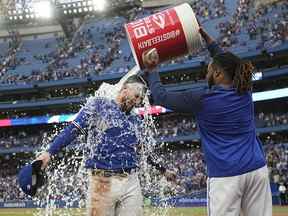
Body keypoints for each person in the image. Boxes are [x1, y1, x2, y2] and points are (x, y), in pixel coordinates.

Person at [143, 27, 272, 216]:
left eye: (210, 68)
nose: (207, 71)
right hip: (257, 169)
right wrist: (210, 43)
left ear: (219, 74)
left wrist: (152, 70)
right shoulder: (245, 90)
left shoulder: (202, 99)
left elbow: (161, 97)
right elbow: (229, 64)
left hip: (226, 177)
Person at [35, 75, 174, 216]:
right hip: (102, 181)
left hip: (131, 181)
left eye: (141, 98)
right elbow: (73, 129)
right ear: (125, 89)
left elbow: (141, 150)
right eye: (137, 96)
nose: (138, 102)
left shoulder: (135, 119)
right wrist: (49, 152)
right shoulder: (97, 105)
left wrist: (162, 170)